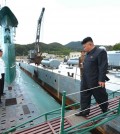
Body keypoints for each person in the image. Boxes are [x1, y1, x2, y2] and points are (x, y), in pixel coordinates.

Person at [75, 37, 109, 117]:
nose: (84, 48)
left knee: (100, 96)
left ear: (90, 44)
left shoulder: (100, 52)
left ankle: (105, 109)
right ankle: (84, 112)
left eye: (85, 46)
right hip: (85, 80)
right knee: (84, 96)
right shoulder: (88, 54)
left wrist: (101, 79)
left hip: (95, 80)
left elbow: (103, 66)